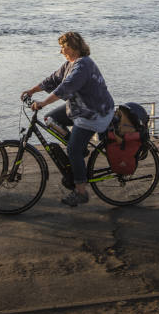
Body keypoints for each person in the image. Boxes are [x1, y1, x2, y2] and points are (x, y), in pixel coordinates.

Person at [22, 31, 115, 207]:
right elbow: (52, 80)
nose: (61, 51)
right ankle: (80, 149)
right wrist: (32, 91)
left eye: (63, 47)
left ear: (73, 47)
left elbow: (65, 87)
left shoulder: (82, 66)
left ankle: (81, 191)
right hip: (79, 109)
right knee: (49, 119)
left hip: (93, 113)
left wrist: (42, 102)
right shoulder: (70, 64)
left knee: (72, 150)